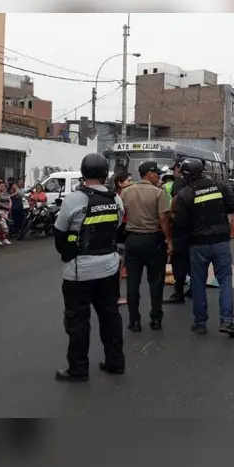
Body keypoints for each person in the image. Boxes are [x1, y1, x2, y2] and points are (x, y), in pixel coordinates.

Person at [52, 153, 126, 382]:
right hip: (109, 268)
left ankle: (78, 369)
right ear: (105, 174)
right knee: (110, 317)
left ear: (83, 174)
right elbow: (118, 230)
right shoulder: (116, 199)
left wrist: (68, 251)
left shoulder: (74, 199)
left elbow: (59, 235)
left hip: (79, 272)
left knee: (77, 322)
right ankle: (115, 363)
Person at [171, 158, 234, 336]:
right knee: (225, 280)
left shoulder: (185, 194)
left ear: (186, 175)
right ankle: (227, 321)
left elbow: (179, 222)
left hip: (198, 244)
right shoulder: (219, 186)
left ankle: (200, 323)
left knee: (198, 282)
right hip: (220, 241)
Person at [119, 162, 172, 331]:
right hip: (153, 240)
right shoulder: (158, 192)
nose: (158, 176)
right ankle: (156, 318)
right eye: (156, 173)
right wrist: (169, 240)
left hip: (132, 240)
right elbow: (163, 219)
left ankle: (134, 321)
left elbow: (120, 215)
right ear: (148, 174)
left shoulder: (126, 192)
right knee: (156, 282)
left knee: (133, 282)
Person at [164, 160, 191, 304]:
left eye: (174, 169)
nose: (173, 172)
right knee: (193, 262)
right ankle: (194, 290)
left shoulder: (179, 183)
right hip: (195, 231)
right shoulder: (197, 183)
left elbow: (174, 201)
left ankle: (178, 293)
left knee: (179, 262)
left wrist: (171, 215)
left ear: (179, 169)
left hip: (180, 231)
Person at [112, 171, 133, 307]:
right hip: (121, 233)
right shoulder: (118, 197)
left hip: (124, 232)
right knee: (118, 266)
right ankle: (116, 296)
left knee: (121, 265)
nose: (131, 183)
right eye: (128, 181)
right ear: (120, 183)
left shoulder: (120, 195)